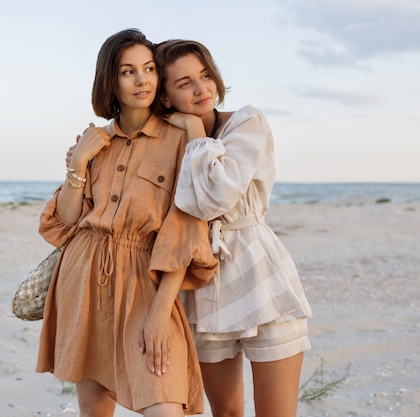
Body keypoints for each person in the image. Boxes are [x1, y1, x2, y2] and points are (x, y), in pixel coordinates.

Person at [36, 29, 218, 417]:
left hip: (145, 281)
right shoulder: (94, 140)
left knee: (165, 402)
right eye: (128, 71)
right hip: (83, 277)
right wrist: (77, 165)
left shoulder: (181, 138)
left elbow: (184, 230)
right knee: (94, 408)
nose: (143, 80)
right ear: (110, 81)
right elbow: (64, 226)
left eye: (150, 69)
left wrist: (158, 314)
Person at [152, 39, 313, 417]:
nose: (201, 89)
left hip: (260, 273)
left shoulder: (246, 122)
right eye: (184, 83)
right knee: (225, 412)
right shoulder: (166, 142)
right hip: (202, 283)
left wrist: (194, 129)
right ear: (164, 98)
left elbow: (217, 197)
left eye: (205, 75)